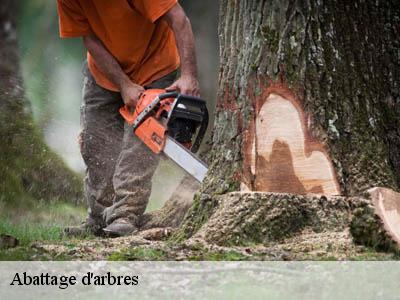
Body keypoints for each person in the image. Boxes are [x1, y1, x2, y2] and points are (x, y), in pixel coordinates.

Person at [57, 0, 200, 236]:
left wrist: (188, 76)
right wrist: (124, 84)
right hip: (103, 72)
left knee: (140, 146)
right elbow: (89, 37)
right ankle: (98, 217)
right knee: (96, 144)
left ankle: (124, 215)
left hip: (156, 65)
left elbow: (179, 19)